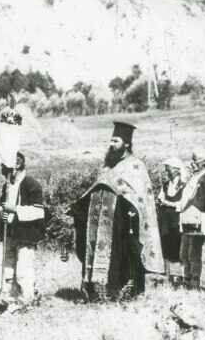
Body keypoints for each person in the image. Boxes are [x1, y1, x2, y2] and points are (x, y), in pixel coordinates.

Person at [70, 122, 165, 300]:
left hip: (122, 222)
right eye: (110, 140)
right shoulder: (108, 166)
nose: (111, 144)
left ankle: (120, 292)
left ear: (127, 143)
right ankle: (96, 291)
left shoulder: (135, 166)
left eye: (115, 140)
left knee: (123, 254)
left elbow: (140, 197)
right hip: (100, 221)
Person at [0, 151, 45, 308]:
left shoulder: (32, 185)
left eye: (5, 166)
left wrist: (14, 209)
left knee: (23, 270)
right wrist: (0, 214)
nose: (2, 169)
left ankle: (25, 302)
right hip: (9, 233)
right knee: (8, 268)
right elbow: (1, 207)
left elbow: (38, 212)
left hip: (26, 235)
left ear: (17, 165)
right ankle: (10, 301)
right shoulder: (7, 186)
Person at [178, 150, 205, 290]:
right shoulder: (195, 177)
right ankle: (187, 279)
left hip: (198, 218)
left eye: (195, 161)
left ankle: (194, 282)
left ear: (203, 163)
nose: (193, 164)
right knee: (184, 251)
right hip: (187, 216)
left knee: (193, 252)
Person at [156, 158, 186, 286]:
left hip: (176, 219)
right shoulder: (166, 185)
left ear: (177, 170)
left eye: (169, 169)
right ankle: (167, 276)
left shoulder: (184, 185)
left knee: (177, 245)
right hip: (165, 219)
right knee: (165, 244)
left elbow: (182, 203)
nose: (167, 172)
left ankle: (179, 276)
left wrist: (168, 203)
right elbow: (160, 198)